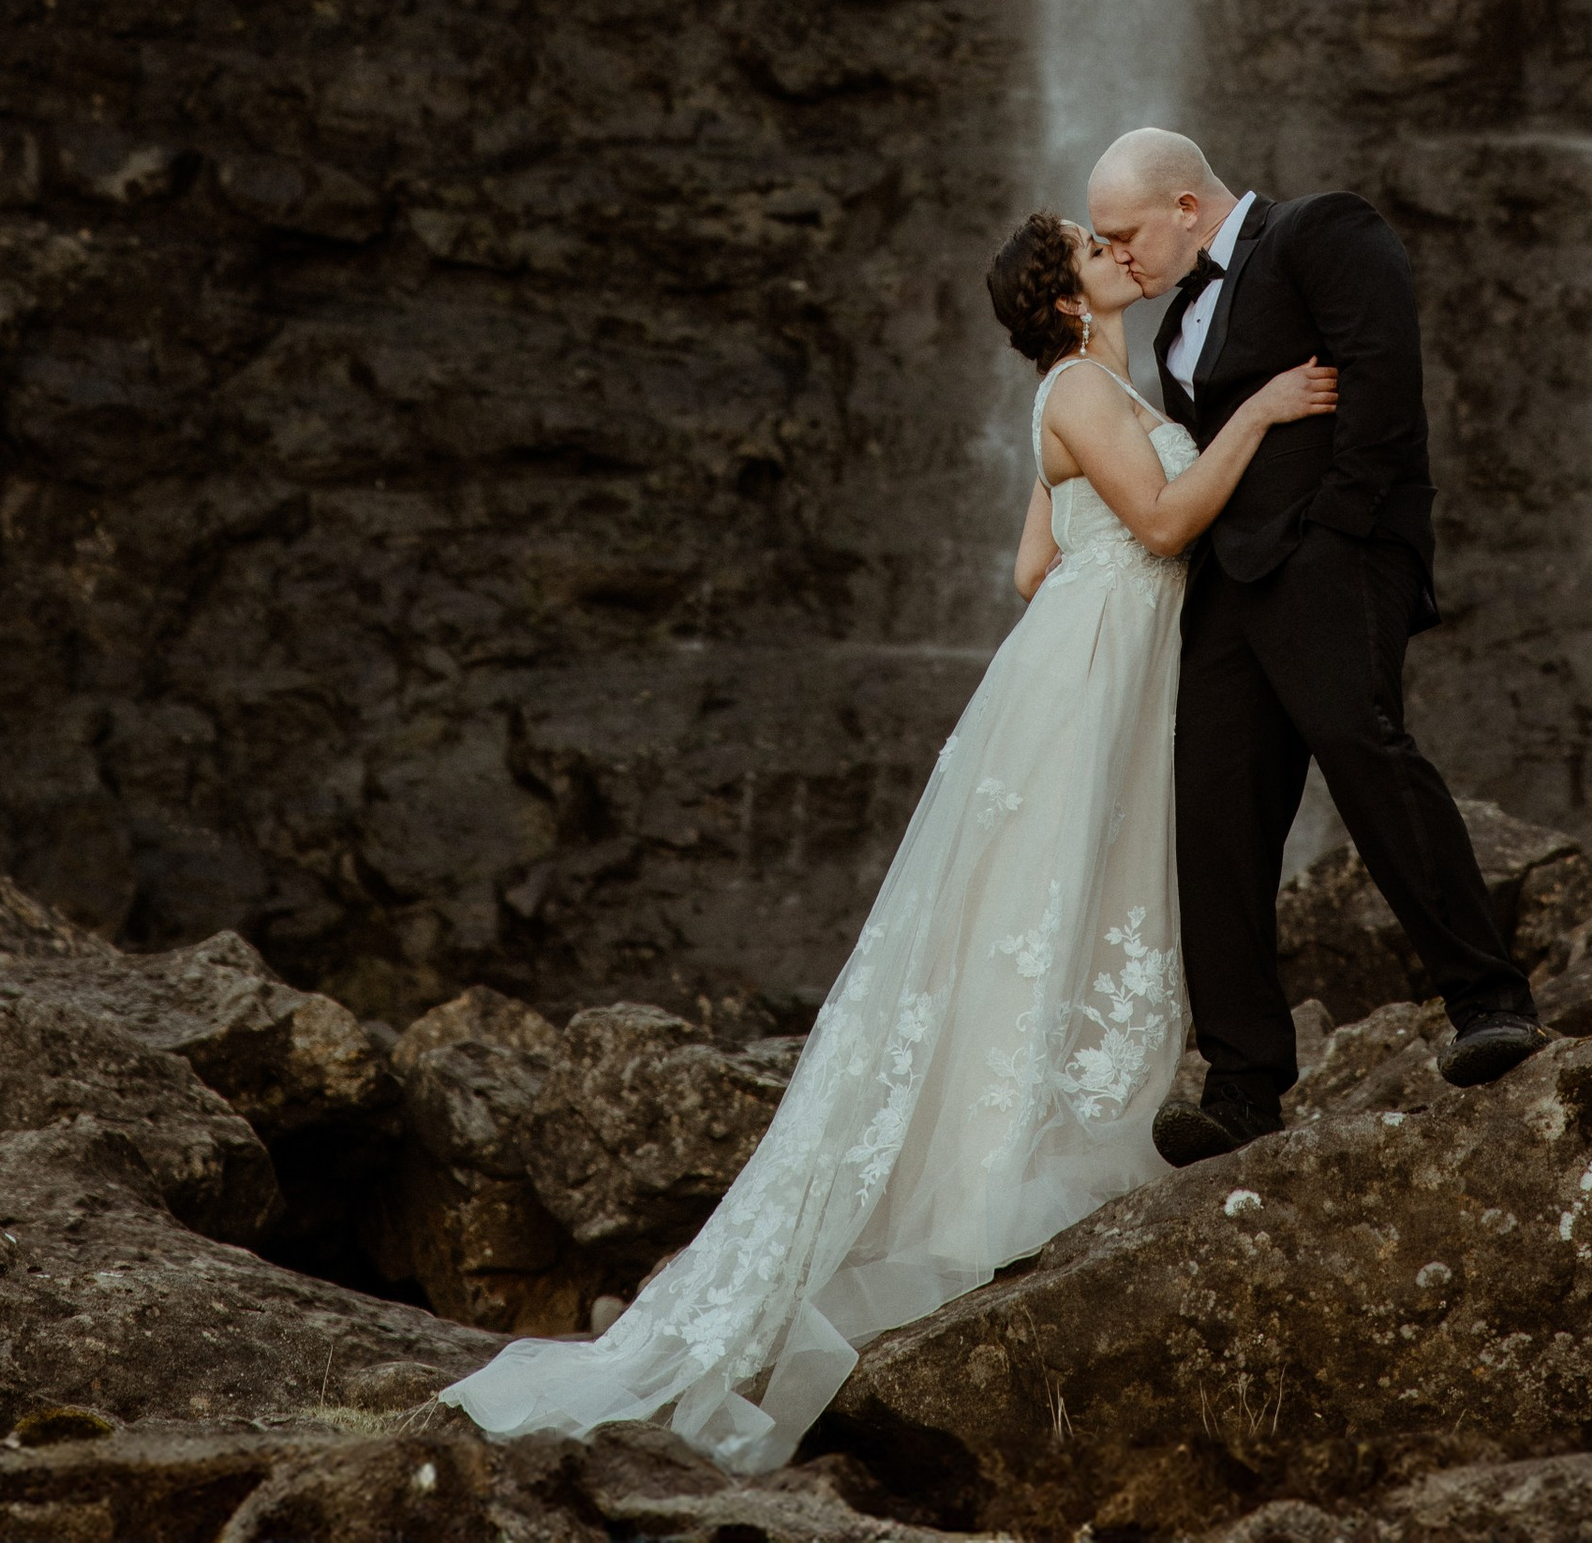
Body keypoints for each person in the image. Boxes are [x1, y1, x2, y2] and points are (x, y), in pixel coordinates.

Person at [439, 209, 1335, 1470]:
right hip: (1083, 690)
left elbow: (1034, 567)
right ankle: (994, 1183)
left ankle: (1019, 1147)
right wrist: (1258, 415)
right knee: (1045, 904)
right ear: (1064, 294)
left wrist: (1103, 581)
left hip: (1078, 668)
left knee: (1038, 909)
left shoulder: (1087, 391)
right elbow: (1169, 526)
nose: (1115, 247)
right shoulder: (1083, 385)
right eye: (1092, 243)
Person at [1084, 124, 1544, 1165]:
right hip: (1228, 584)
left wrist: (1334, 535)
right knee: (1211, 811)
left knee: (1362, 748)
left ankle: (1489, 1001)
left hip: (1328, 558)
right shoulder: (1172, 326)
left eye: (1123, 235)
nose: (1118, 259)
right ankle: (1243, 1086)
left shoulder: (1324, 230)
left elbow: (1384, 381)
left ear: (1186, 208)